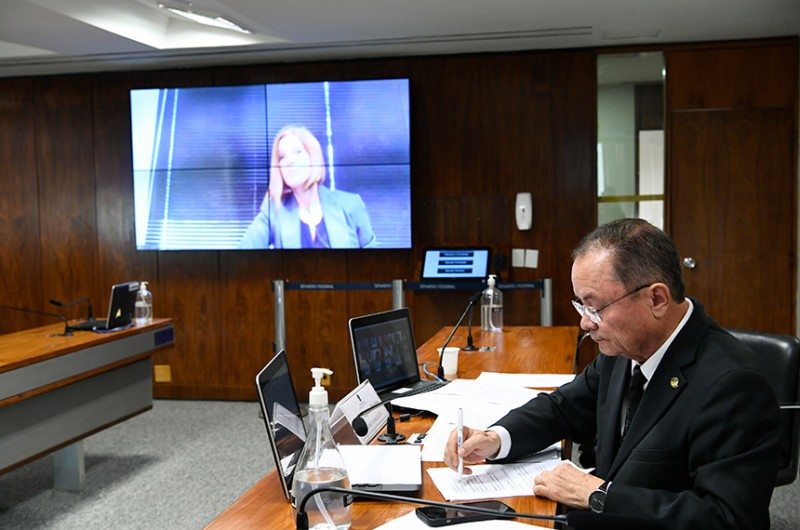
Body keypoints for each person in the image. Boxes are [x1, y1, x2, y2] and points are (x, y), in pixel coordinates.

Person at [444, 218, 781, 529]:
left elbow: (729, 520)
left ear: (657, 299)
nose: (585, 323)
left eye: (596, 307)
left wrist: (599, 494)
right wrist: (496, 438)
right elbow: (563, 407)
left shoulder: (733, 385)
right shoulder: (624, 347)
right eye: (581, 305)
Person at [239, 125, 376, 249]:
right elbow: (242, 256)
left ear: (313, 157)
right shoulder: (273, 211)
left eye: (297, 152)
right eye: (282, 157)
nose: (289, 161)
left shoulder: (351, 205)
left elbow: (375, 266)